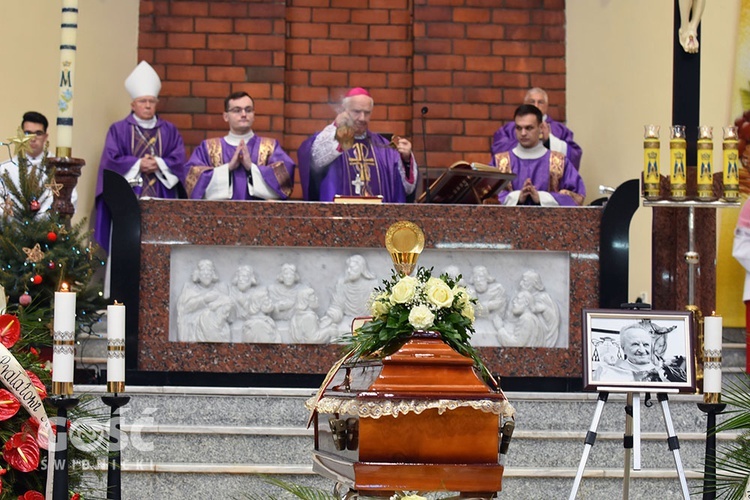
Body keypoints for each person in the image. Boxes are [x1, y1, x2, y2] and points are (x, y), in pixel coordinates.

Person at [94, 61, 186, 252]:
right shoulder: (118, 129)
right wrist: (137, 164)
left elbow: (179, 161)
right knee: (127, 248)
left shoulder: (169, 131)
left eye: (151, 101)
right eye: (143, 101)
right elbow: (110, 161)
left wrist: (159, 164)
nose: (147, 106)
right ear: (133, 104)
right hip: (127, 197)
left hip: (162, 196)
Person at [297, 87, 418, 202]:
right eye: (357, 112)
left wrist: (406, 160)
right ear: (344, 111)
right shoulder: (332, 140)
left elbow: (407, 188)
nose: (362, 118)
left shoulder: (383, 147)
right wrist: (337, 127)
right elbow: (316, 159)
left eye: (367, 113)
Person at [183, 91, 295, 200]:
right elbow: (192, 180)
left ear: (254, 115)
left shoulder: (269, 147)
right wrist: (228, 168)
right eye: (237, 110)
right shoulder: (208, 148)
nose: (243, 114)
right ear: (226, 116)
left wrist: (251, 167)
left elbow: (285, 180)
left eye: (248, 110)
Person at [491, 104, 586, 206]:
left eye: (529, 128)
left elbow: (577, 196)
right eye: (519, 128)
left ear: (541, 128)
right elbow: (485, 196)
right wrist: (517, 197)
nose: (523, 133)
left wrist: (541, 198)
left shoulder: (559, 161)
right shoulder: (500, 162)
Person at [0, 111, 77, 214]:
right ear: (21, 135)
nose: (33, 138)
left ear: (45, 136)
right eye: (28, 133)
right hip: (14, 226)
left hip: (49, 227)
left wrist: (41, 219)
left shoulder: (59, 169)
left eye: (38, 133)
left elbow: (70, 198)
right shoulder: (6, 168)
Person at [492, 88, 582, 171]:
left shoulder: (560, 130)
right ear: (525, 103)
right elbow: (498, 152)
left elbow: (574, 154)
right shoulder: (509, 129)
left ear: (547, 105)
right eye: (532, 102)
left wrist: (549, 141)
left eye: (540, 102)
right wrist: (525, 143)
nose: (536, 105)